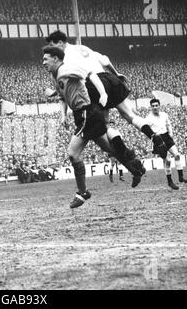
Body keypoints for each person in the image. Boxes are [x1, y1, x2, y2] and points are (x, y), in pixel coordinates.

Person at [42, 45, 145, 208]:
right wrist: (63, 114)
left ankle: (82, 192)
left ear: (56, 59)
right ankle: (135, 168)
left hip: (87, 113)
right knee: (110, 149)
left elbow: (90, 74)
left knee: (73, 153)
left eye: (45, 59)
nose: (43, 62)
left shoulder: (67, 69)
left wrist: (103, 93)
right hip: (80, 115)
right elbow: (62, 96)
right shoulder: (55, 76)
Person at [45, 30, 168, 159]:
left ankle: (125, 154)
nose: (51, 49)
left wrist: (54, 92)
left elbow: (68, 79)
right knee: (130, 115)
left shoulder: (65, 57)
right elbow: (105, 60)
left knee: (105, 124)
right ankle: (155, 137)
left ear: (60, 42)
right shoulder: (82, 47)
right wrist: (116, 73)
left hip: (95, 83)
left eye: (52, 45)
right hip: (109, 78)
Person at [146, 98, 187, 190]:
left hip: (166, 137)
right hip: (158, 139)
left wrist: (171, 133)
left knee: (177, 155)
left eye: (156, 105)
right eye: (153, 106)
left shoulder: (164, 115)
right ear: (151, 107)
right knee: (168, 160)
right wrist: (151, 142)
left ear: (159, 106)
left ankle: (181, 177)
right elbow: (146, 131)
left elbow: (168, 124)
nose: (155, 107)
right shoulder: (148, 118)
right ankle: (170, 182)